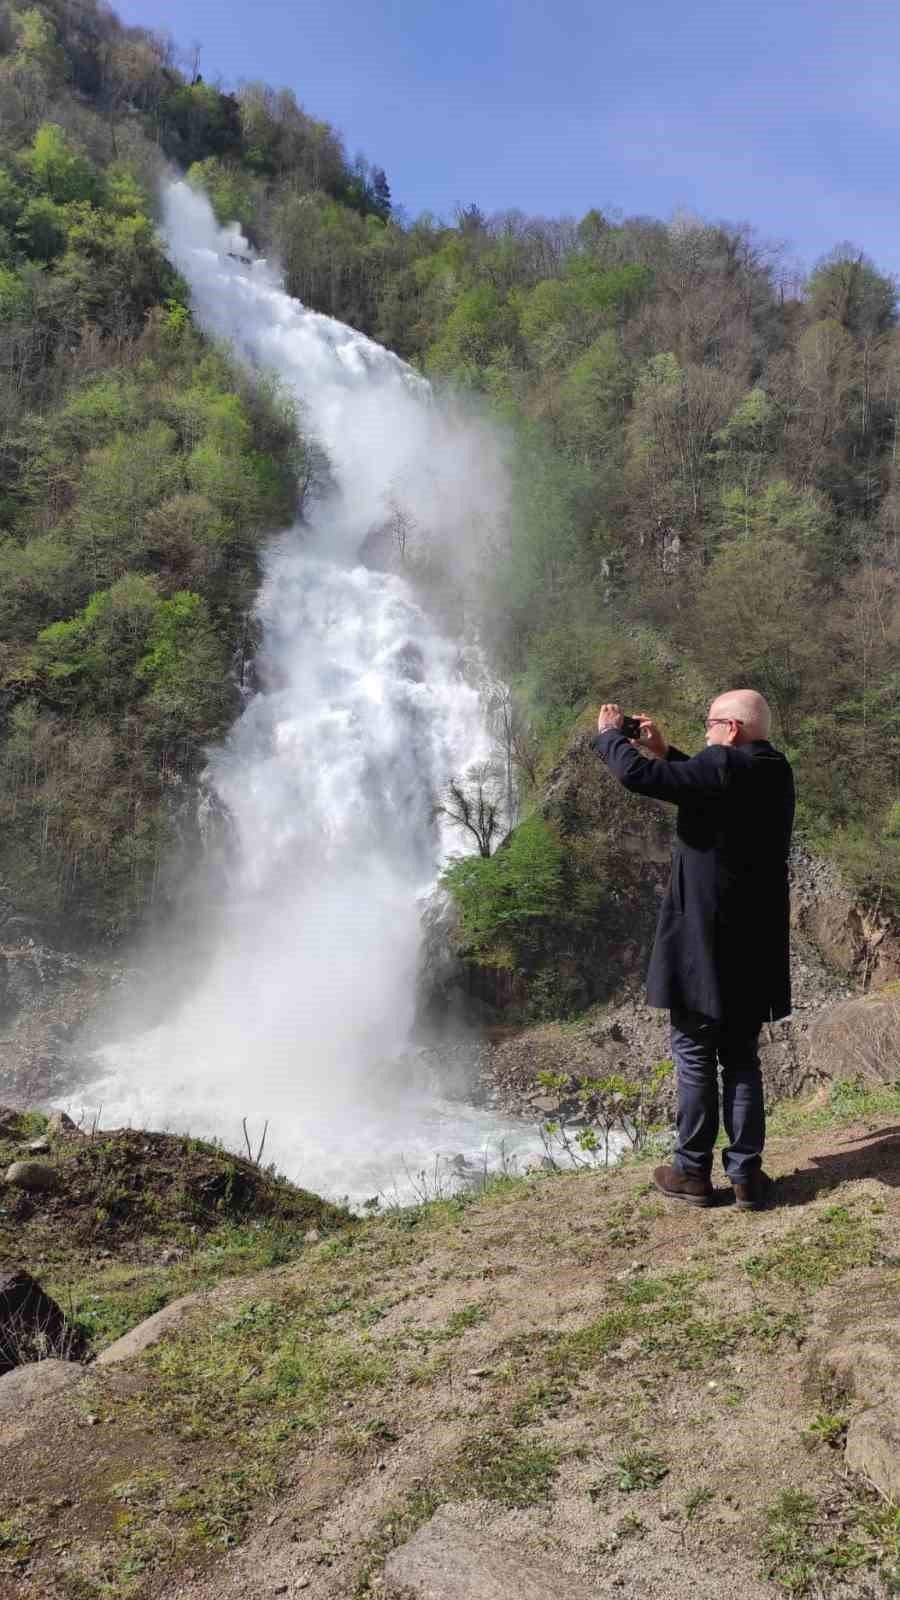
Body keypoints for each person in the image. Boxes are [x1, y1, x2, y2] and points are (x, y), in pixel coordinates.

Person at [592, 691, 794, 1211]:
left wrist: (610, 737)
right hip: (754, 946)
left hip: (703, 945)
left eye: (709, 725)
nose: (706, 734)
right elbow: (707, 787)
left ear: (729, 730)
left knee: (697, 1054)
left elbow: (641, 779)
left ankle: (691, 1173)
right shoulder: (774, 770)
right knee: (742, 1058)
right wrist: (667, 751)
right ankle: (747, 1177)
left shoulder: (723, 763)